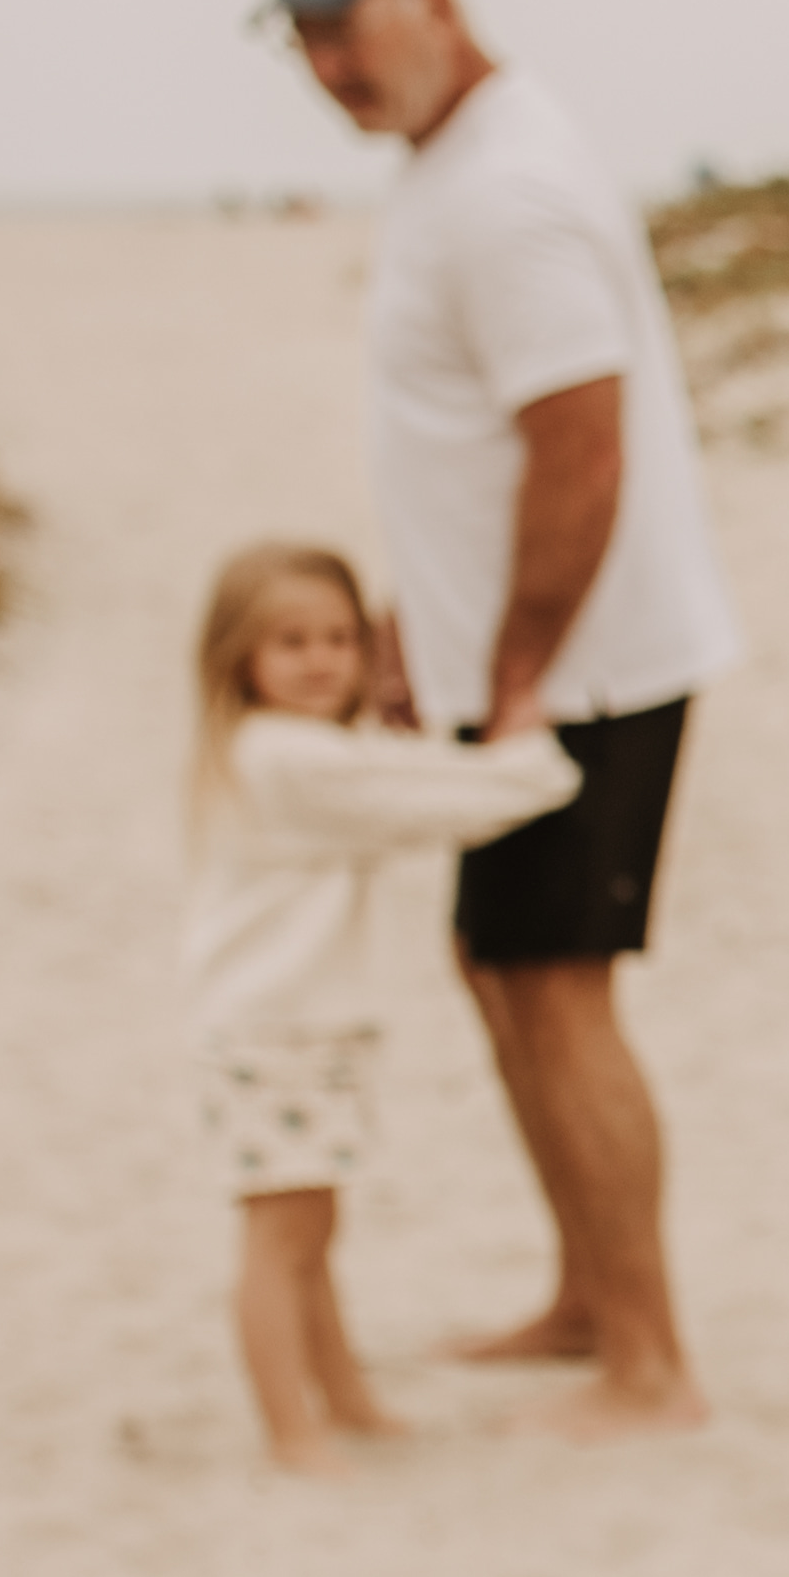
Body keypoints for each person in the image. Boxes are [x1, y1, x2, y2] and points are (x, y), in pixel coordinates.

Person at [268, 0, 740, 1438]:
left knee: (556, 988)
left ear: (435, 0)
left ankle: (650, 1358)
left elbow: (578, 447)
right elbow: (472, 447)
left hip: (583, 673)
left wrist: (522, 663)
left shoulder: (511, 193)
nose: (327, 59)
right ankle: (588, 1298)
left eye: (348, 22)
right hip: (519, 662)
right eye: (305, 33)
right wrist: (427, 627)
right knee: (502, 968)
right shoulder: (455, 165)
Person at [179, 543, 579, 1472]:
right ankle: (291, 1429)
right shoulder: (284, 759)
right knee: (280, 1237)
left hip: (303, 1025)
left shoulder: (307, 752)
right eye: (291, 641)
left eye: (339, 639)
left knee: (314, 1226)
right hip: (270, 1028)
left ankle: (345, 1398)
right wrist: (535, 758)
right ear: (241, 655)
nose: (321, 659)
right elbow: (433, 802)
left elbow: (396, 777)